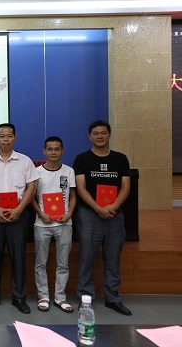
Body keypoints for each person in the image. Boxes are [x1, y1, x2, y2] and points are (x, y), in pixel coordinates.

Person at [74, 120, 132, 316]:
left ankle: (113, 298)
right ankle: (85, 298)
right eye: (96, 133)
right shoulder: (82, 159)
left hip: (115, 215)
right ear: (89, 136)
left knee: (113, 257)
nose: (100, 136)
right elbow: (81, 188)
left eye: (103, 133)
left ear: (109, 135)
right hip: (89, 214)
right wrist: (98, 208)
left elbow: (125, 187)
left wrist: (113, 206)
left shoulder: (120, 159)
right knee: (87, 257)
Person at [0, 123, 39, 314]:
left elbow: (31, 188)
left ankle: (19, 297)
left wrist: (19, 209)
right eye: (2, 136)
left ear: (15, 138)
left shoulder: (25, 161)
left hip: (18, 213)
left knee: (18, 256)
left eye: (9, 136)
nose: (5, 139)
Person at [31, 136, 76, 314]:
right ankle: (43, 297)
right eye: (50, 149)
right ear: (44, 151)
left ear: (62, 151)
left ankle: (60, 297)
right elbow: (32, 197)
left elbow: (73, 196)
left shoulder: (69, 171)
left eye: (57, 149)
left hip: (64, 223)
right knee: (40, 263)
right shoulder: (36, 172)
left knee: (63, 263)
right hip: (42, 223)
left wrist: (69, 213)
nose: (53, 152)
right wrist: (41, 213)